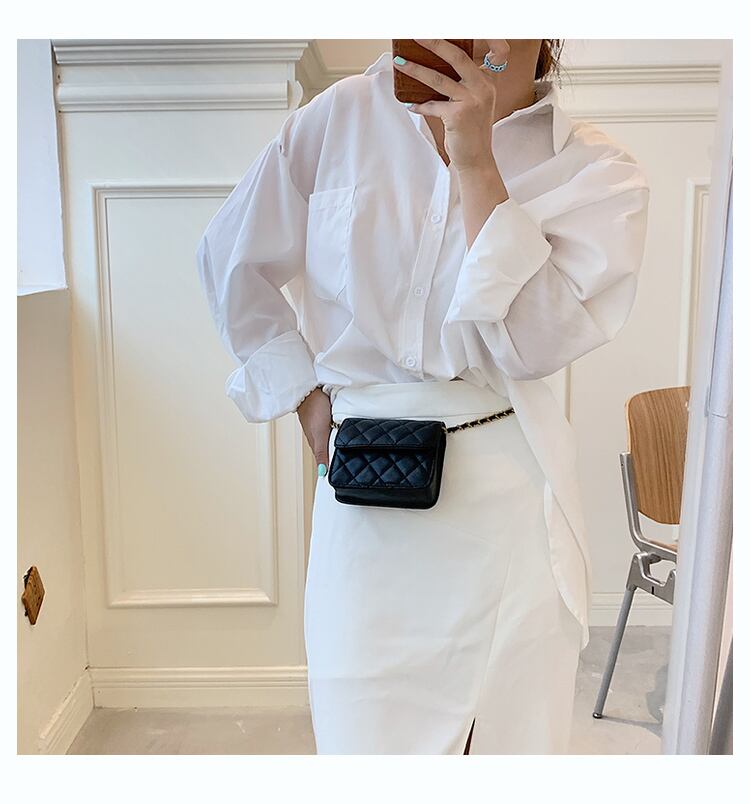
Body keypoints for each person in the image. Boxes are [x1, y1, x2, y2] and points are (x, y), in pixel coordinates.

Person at [196, 39, 650, 755]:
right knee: (360, 737)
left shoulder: (597, 172)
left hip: (504, 500)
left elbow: (534, 344)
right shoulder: (342, 116)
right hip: (364, 493)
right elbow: (230, 255)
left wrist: (477, 165)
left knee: (501, 743)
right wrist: (302, 391)